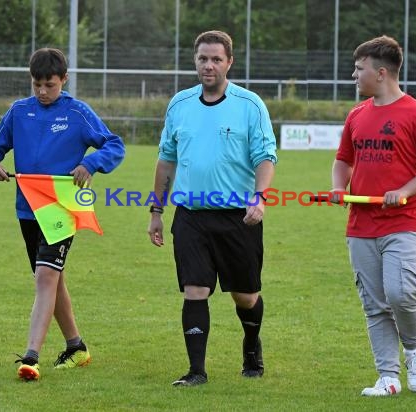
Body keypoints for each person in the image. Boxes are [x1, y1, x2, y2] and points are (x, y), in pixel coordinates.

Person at [0, 48, 126, 381]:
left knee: (45, 276)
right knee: (51, 277)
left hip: (63, 206)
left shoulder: (77, 113)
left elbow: (113, 145)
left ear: (64, 80)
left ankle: (31, 356)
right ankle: (76, 346)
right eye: (37, 85)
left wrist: (90, 163)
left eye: (50, 85)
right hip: (27, 208)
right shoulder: (19, 111)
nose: (43, 92)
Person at [147, 30, 277, 386]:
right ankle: (196, 371)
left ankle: (252, 346)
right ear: (195, 61)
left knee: (245, 296)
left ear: (229, 62)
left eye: (216, 59)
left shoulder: (250, 106)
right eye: (203, 59)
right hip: (190, 216)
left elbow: (266, 157)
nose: (209, 66)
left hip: (238, 216)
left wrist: (260, 197)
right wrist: (156, 211)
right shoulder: (179, 105)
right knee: (195, 289)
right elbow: (166, 161)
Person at [331, 35, 416, 396]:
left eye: (359, 69)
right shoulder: (356, 115)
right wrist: (339, 186)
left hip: (405, 221)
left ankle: (415, 349)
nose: (354, 75)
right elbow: (343, 160)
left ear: (381, 73)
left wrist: (405, 190)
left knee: (400, 294)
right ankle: (388, 378)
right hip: (361, 224)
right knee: (375, 304)